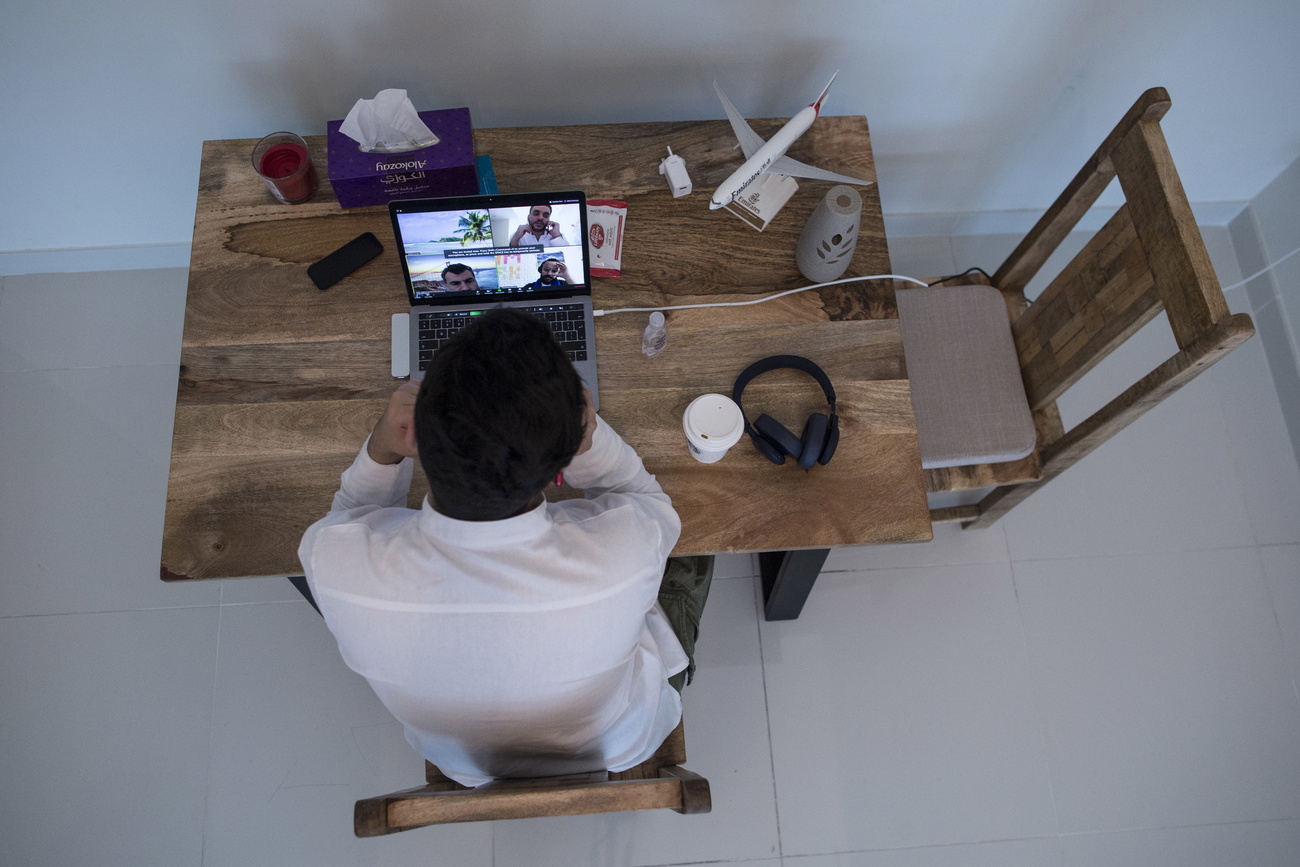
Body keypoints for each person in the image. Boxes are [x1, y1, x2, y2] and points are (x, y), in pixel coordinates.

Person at [298, 308, 712, 786]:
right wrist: (586, 441)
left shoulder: (335, 565)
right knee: (698, 545)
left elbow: (346, 520)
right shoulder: (624, 549)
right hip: (623, 741)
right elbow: (650, 504)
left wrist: (382, 447)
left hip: (468, 768)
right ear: (568, 447)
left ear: (415, 433)